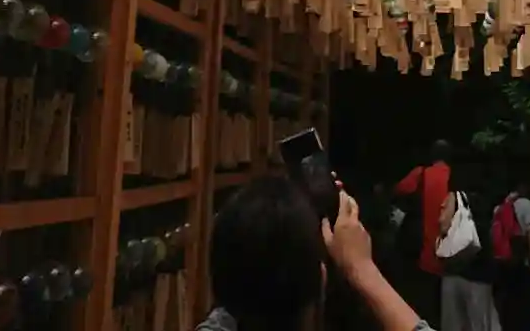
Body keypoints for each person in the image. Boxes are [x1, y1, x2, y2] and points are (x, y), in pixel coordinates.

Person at [197, 175, 437, 331]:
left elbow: (241, 292)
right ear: (320, 277)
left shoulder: (229, 309)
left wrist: (268, 228)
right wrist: (362, 269)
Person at [393, 141, 453, 327]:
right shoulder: (455, 177)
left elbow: (399, 189)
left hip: (423, 253)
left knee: (424, 308)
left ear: (431, 155)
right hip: (452, 257)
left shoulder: (421, 174)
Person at [435, 190, 499, 331]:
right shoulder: (486, 200)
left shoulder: (456, 196)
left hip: (456, 271)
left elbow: (443, 223)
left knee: (454, 325)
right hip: (482, 275)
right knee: (480, 324)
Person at [490, 189, 530, 331]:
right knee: (525, 303)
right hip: (521, 261)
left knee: (509, 302)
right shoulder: (526, 204)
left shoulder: (499, 208)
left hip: (503, 262)